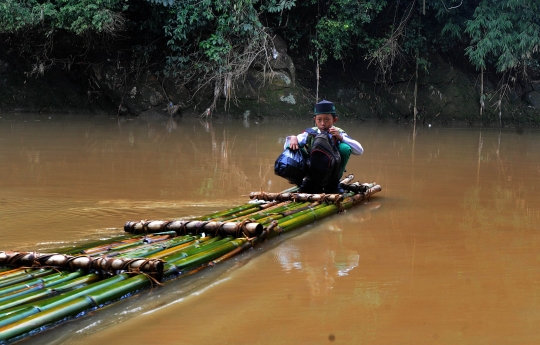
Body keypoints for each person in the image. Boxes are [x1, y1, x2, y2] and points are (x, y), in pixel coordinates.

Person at [285, 100, 363, 193]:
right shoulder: (310, 133)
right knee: (294, 147)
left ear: (334, 120)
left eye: (327, 119)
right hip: (311, 172)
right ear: (315, 120)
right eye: (319, 119)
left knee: (345, 148)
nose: (323, 123)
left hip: (332, 173)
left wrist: (340, 138)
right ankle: (305, 180)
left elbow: (359, 151)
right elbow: (286, 147)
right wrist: (293, 138)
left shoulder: (338, 132)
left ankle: (334, 182)